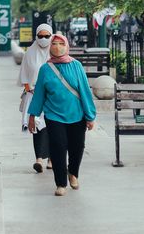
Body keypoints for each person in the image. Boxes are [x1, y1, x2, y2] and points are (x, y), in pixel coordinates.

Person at [28, 33, 97, 196]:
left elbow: (85, 92)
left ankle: (73, 173)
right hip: (54, 115)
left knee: (77, 147)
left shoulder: (76, 66)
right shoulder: (45, 69)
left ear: (67, 46)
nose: (57, 47)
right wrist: (32, 116)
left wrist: (90, 116)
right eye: (54, 44)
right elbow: (39, 95)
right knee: (58, 148)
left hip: (77, 115)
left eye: (61, 44)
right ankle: (60, 183)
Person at [18, 23, 53, 173]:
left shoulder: (55, 51)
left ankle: (51, 158)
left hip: (52, 96)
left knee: (53, 126)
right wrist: (30, 90)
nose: (44, 39)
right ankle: (39, 159)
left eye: (47, 36)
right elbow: (24, 75)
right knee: (37, 126)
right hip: (34, 95)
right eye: (40, 36)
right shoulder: (30, 53)